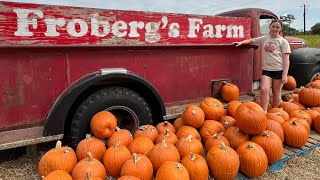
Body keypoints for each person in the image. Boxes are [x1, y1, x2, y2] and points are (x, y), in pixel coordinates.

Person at [233, 19, 291, 112]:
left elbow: (286, 59)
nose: (275, 29)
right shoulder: (264, 39)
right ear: (269, 27)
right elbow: (251, 41)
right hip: (267, 69)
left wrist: (284, 74)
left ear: (280, 29)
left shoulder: (283, 42)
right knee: (264, 90)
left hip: (278, 70)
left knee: (276, 93)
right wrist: (241, 42)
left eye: (277, 27)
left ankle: (274, 112)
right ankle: (264, 112)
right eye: (273, 26)